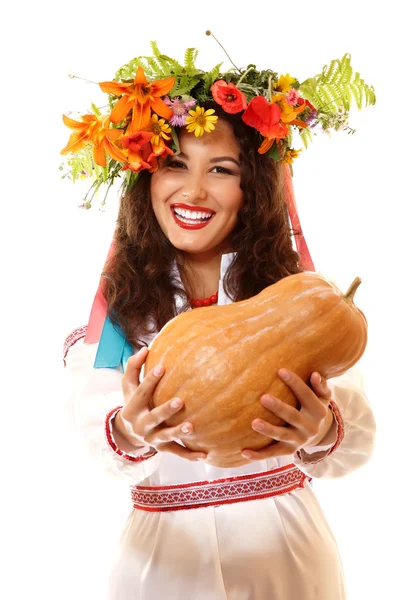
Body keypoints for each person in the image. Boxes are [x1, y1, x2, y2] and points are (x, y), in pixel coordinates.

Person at [62, 36, 376, 600]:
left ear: (252, 187)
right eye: (174, 164)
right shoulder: (120, 308)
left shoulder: (298, 297)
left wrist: (323, 428)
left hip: (289, 563)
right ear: (145, 180)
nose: (195, 190)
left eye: (223, 169)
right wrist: (131, 429)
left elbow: (358, 436)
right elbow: (92, 433)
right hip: (161, 571)